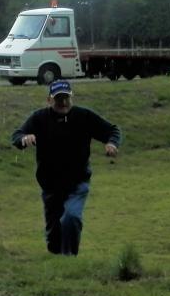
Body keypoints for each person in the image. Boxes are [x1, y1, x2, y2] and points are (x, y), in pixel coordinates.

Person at [12, 80, 122, 256]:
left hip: (77, 182)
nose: (63, 103)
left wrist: (112, 143)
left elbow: (112, 130)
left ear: (72, 97)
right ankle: (58, 255)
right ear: (49, 100)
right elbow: (17, 135)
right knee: (54, 238)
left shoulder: (84, 116)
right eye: (58, 99)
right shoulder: (39, 118)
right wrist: (24, 139)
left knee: (71, 217)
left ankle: (69, 257)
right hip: (50, 185)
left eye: (66, 98)